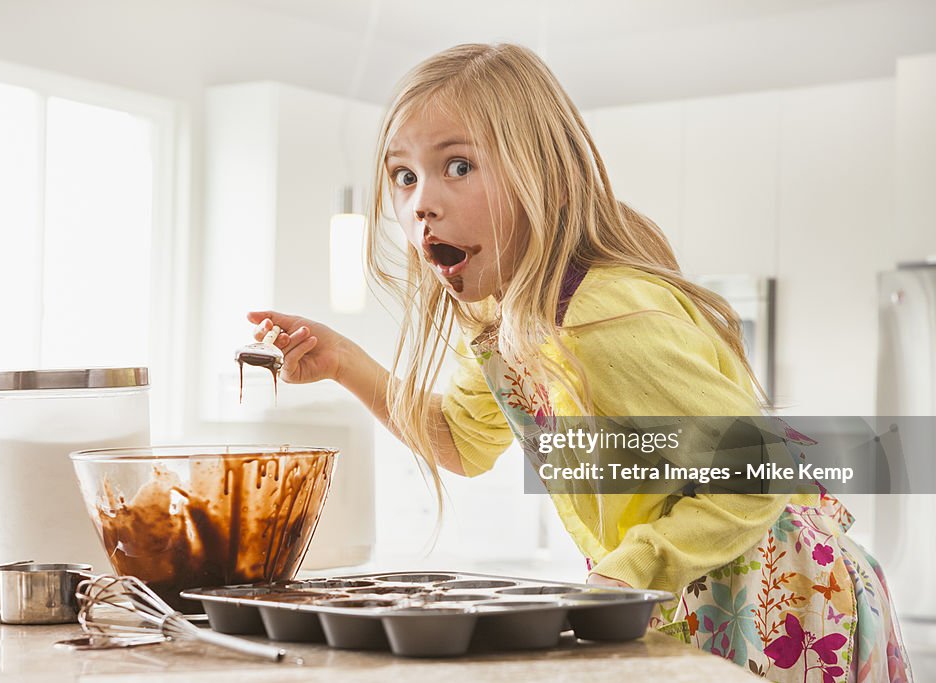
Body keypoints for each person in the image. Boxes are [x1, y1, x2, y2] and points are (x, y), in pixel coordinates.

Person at [246, 43, 911, 682]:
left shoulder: (602, 313)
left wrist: (625, 571)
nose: (421, 201)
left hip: (787, 594)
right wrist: (342, 361)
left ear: (544, 173)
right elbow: (463, 442)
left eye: (458, 166)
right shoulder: (498, 318)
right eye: (403, 175)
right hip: (695, 589)